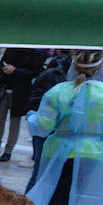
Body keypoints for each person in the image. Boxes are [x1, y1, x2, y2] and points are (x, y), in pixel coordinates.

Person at [26, 49, 103, 205]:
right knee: (69, 196)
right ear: (100, 69)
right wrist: (94, 138)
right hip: (91, 153)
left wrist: (32, 118)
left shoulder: (58, 92)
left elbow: (43, 127)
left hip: (58, 150)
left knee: (50, 192)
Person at [0, 47, 47, 162]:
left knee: (14, 122)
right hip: (4, 89)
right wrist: (4, 69)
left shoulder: (36, 52)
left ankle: (8, 150)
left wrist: (15, 70)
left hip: (20, 92)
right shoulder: (11, 49)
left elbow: (34, 72)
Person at [25, 51, 69, 191]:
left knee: (39, 174)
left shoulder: (52, 77)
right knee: (42, 175)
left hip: (47, 132)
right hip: (51, 133)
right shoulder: (58, 80)